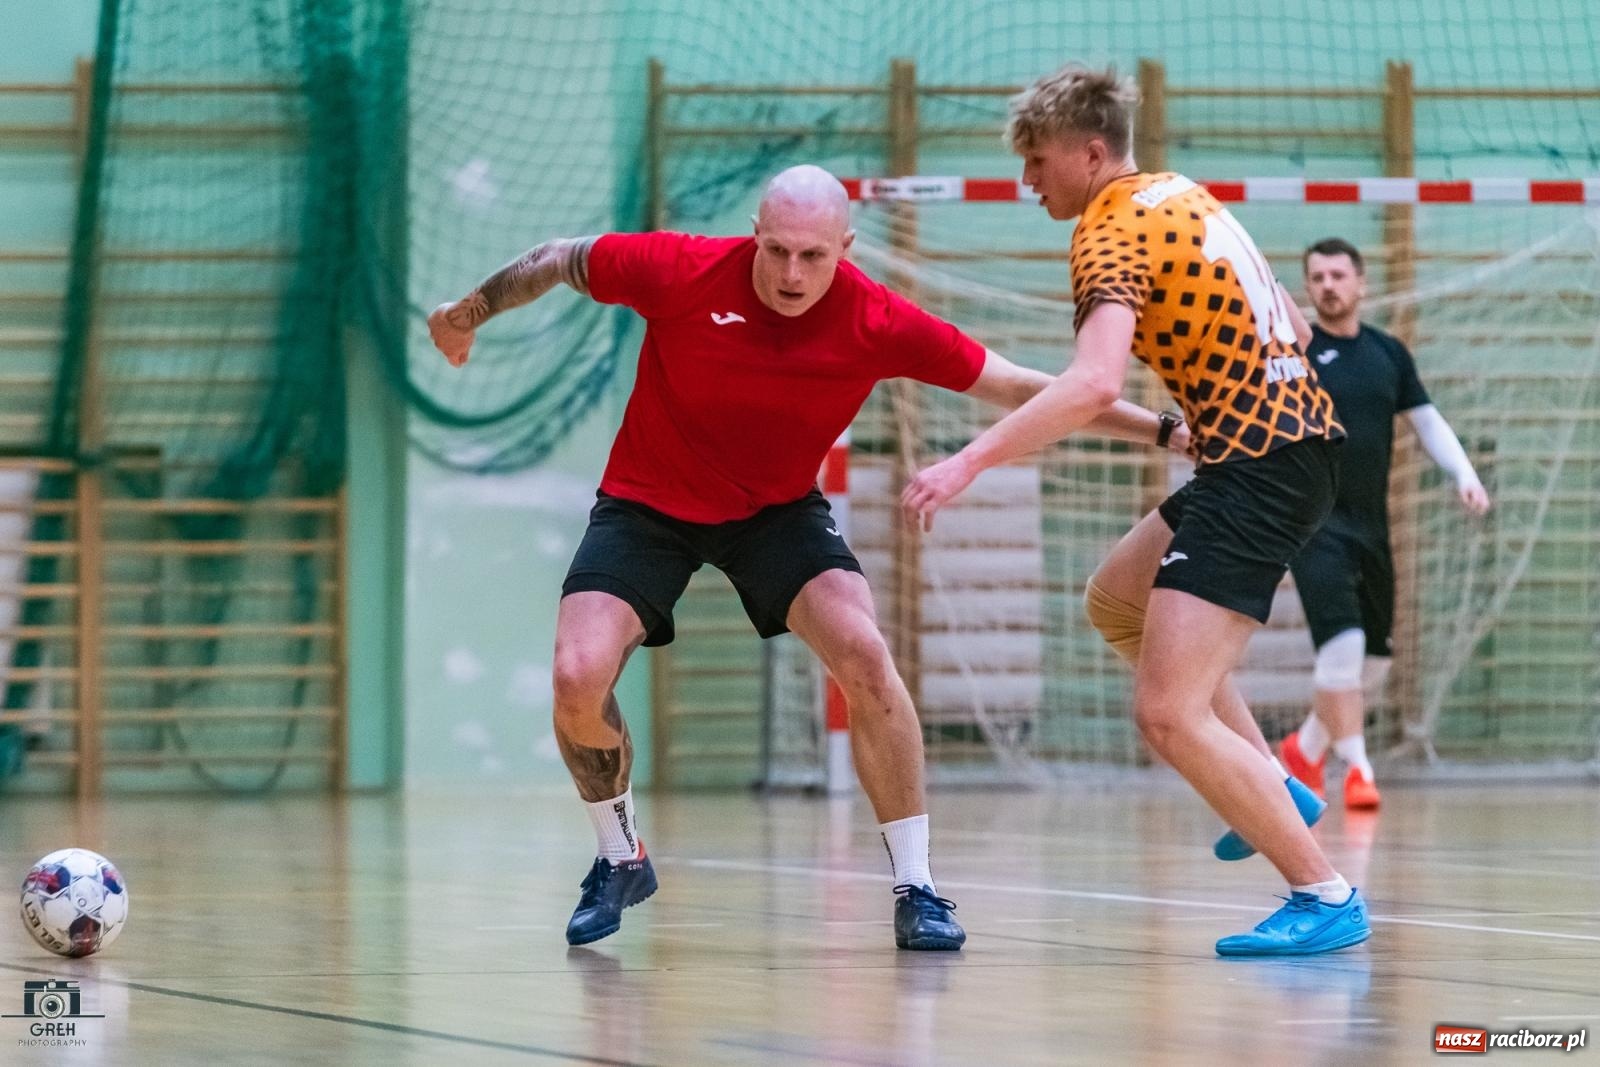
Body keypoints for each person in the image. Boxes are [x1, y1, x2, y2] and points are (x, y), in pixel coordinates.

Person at [428, 164, 1187, 951]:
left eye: (813, 256)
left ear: (845, 247)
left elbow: (1024, 386)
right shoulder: (681, 269)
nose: (792, 273)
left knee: (864, 652)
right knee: (576, 675)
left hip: (777, 512)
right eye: (778, 250)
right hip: (649, 503)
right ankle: (620, 856)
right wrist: (466, 314)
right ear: (755, 233)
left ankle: (919, 887)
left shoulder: (875, 317)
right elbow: (559, 257)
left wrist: (1165, 431)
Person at [902, 65, 1371, 956]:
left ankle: (1325, 893)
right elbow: (1301, 332)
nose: (1027, 180)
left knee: (1165, 713)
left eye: (1037, 161)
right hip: (1283, 445)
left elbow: (1091, 382)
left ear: (1090, 153)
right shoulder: (1183, 195)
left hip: (1260, 464)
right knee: (1118, 598)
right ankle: (1273, 783)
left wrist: (965, 462)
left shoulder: (1108, 230)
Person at [1280, 237, 1491, 809]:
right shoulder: (1294, 354)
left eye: (1338, 275)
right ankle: (1359, 771)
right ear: (1308, 287)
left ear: (1361, 282)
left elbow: (1427, 421)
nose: (1328, 286)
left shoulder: (1388, 353)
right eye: (1317, 277)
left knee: (1374, 661)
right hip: (1312, 525)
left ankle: (1306, 747)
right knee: (1343, 646)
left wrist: (1463, 473)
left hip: (1372, 527)